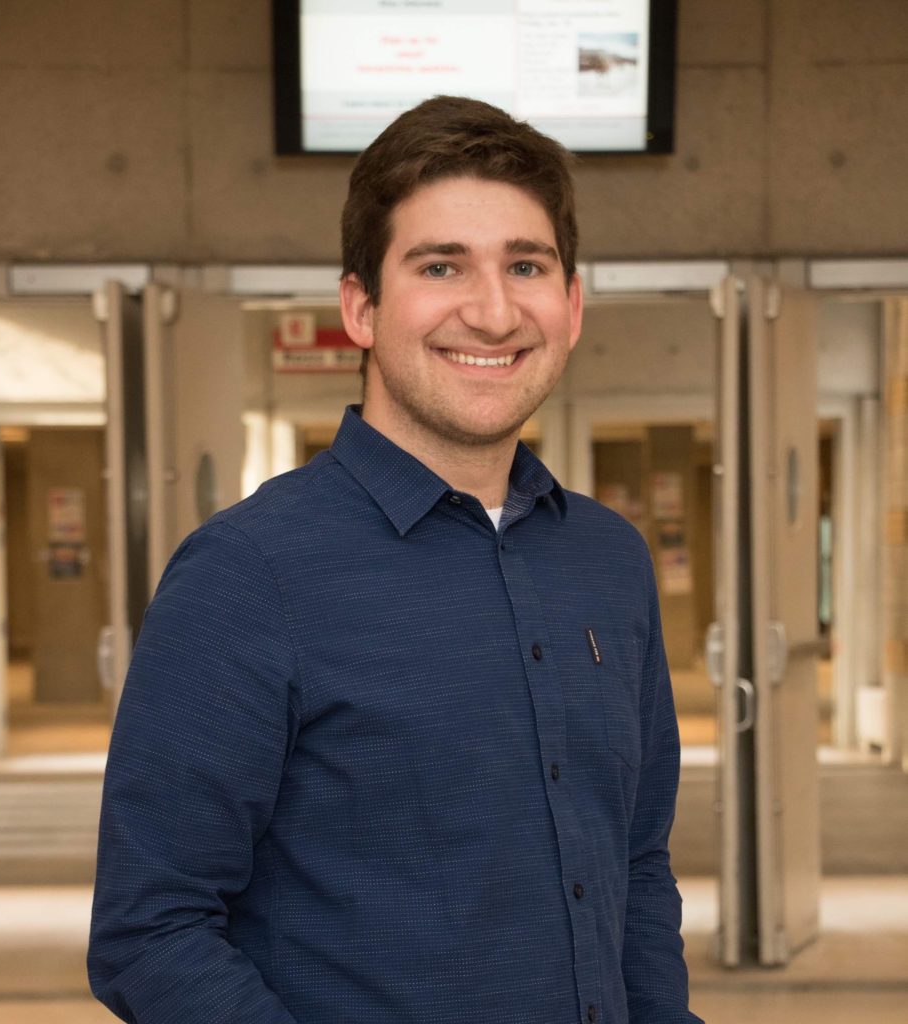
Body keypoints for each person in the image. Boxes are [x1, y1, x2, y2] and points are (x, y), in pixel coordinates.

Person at [88, 95, 702, 1024]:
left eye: (525, 266)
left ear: (571, 305)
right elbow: (151, 930)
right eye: (440, 265)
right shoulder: (247, 573)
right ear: (361, 307)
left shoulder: (607, 561)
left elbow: (634, 867)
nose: (492, 312)